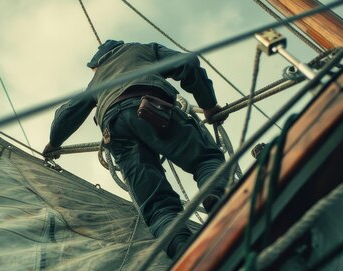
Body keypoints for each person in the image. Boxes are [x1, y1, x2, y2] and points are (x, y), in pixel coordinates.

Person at [43, 39, 228, 259]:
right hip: (152, 107)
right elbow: (186, 62)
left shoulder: (96, 82)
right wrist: (208, 105)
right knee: (206, 160)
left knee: (157, 206)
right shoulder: (145, 50)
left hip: (114, 129)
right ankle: (216, 199)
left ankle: (182, 250)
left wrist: (54, 143)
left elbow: (68, 112)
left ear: (96, 65)